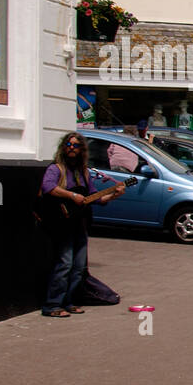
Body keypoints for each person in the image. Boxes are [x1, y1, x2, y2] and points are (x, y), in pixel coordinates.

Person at [38, 132, 125, 317]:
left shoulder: (83, 172)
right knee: (65, 264)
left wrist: (114, 194)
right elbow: (48, 187)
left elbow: (94, 197)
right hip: (61, 223)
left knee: (78, 267)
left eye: (76, 145)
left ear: (82, 150)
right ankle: (52, 305)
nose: (71, 148)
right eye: (68, 145)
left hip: (79, 224)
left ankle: (69, 301)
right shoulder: (56, 169)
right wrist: (72, 195)